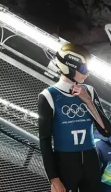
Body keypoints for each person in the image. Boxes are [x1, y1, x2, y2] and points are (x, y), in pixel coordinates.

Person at [38, 43, 111, 192]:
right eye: (84, 69)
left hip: (91, 161)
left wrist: (88, 101)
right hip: (65, 161)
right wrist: (53, 178)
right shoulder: (48, 96)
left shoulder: (89, 91)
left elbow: (106, 131)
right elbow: (44, 141)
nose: (88, 73)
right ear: (69, 66)